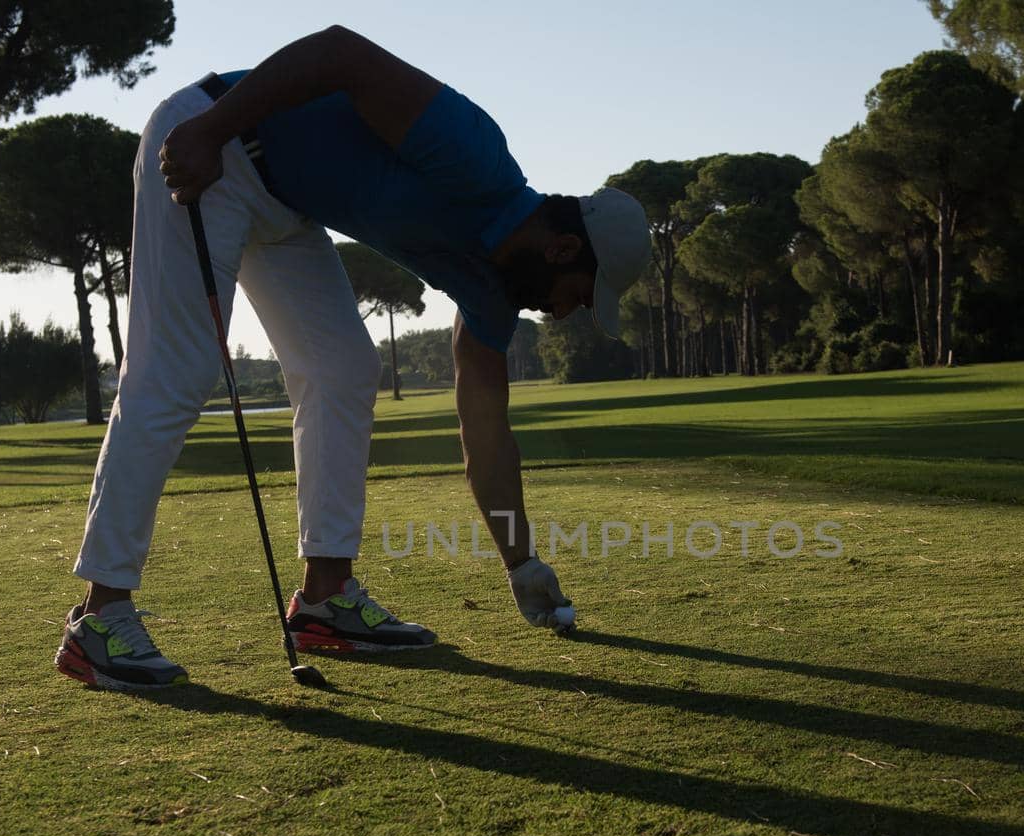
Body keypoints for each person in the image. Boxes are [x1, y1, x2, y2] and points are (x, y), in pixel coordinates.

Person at [55, 26, 652, 690]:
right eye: (578, 297)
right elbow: (339, 52)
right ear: (563, 251)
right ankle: (100, 617)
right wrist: (212, 128)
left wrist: (522, 564)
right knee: (177, 372)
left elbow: (487, 437)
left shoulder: (492, 297)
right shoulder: (476, 152)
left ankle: (324, 600)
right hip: (213, 144)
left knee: (343, 369)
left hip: (286, 207)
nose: (566, 312)